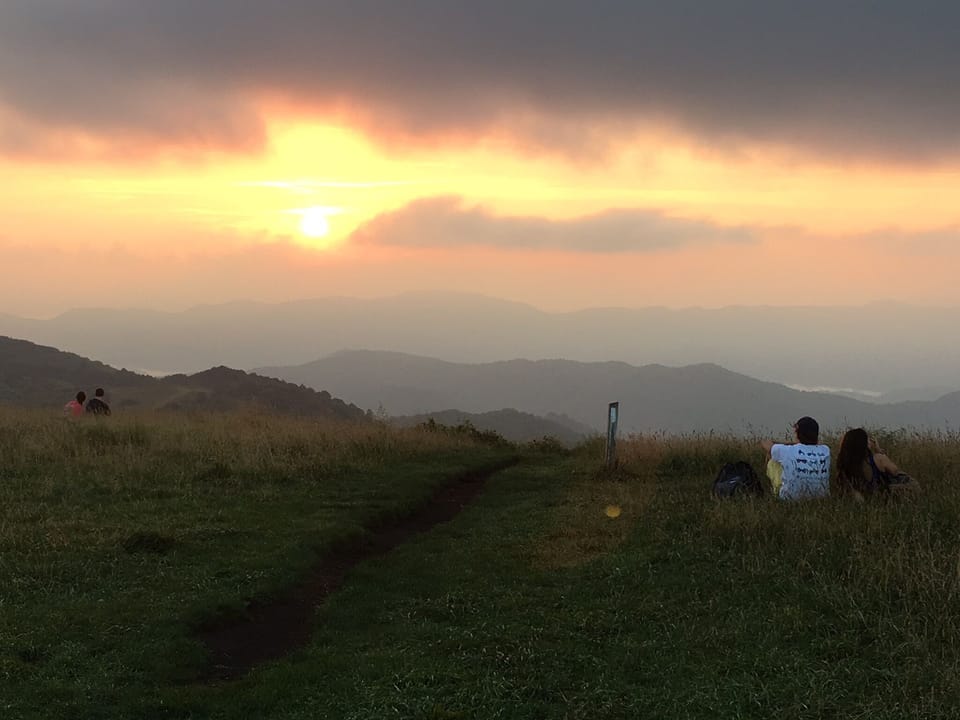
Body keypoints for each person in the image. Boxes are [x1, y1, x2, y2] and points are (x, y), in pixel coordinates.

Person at [761, 416, 831, 500]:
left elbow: (765, 443)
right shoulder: (825, 450)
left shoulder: (787, 450)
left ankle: (776, 490)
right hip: (821, 497)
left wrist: (790, 443)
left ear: (797, 433)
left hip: (789, 498)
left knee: (772, 460)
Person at [834, 427, 909, 500]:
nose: (870, 441)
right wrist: (879, 451)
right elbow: (895, 471)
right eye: (868, 439)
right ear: (864, 443)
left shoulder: (844, 463)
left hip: (859, 499)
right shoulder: (878, 458)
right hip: (879, 497)